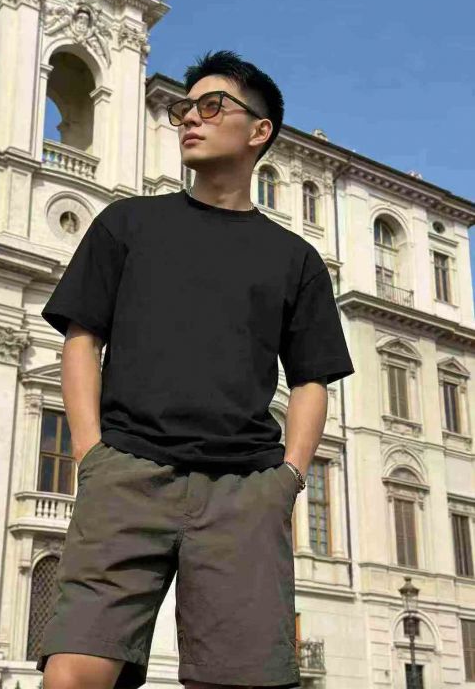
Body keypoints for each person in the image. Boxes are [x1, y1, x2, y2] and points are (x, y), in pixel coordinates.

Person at [37, 49, 355, 689]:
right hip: (125, 476)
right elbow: (81, 340)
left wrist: (288, 480)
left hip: (244, 492)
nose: (189, 117)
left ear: (259, 130)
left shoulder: (296, 260)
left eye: (212, 106)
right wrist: (91, 454)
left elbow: (311, 380)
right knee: (72, 675)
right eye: (186, 107)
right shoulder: (126, 224)